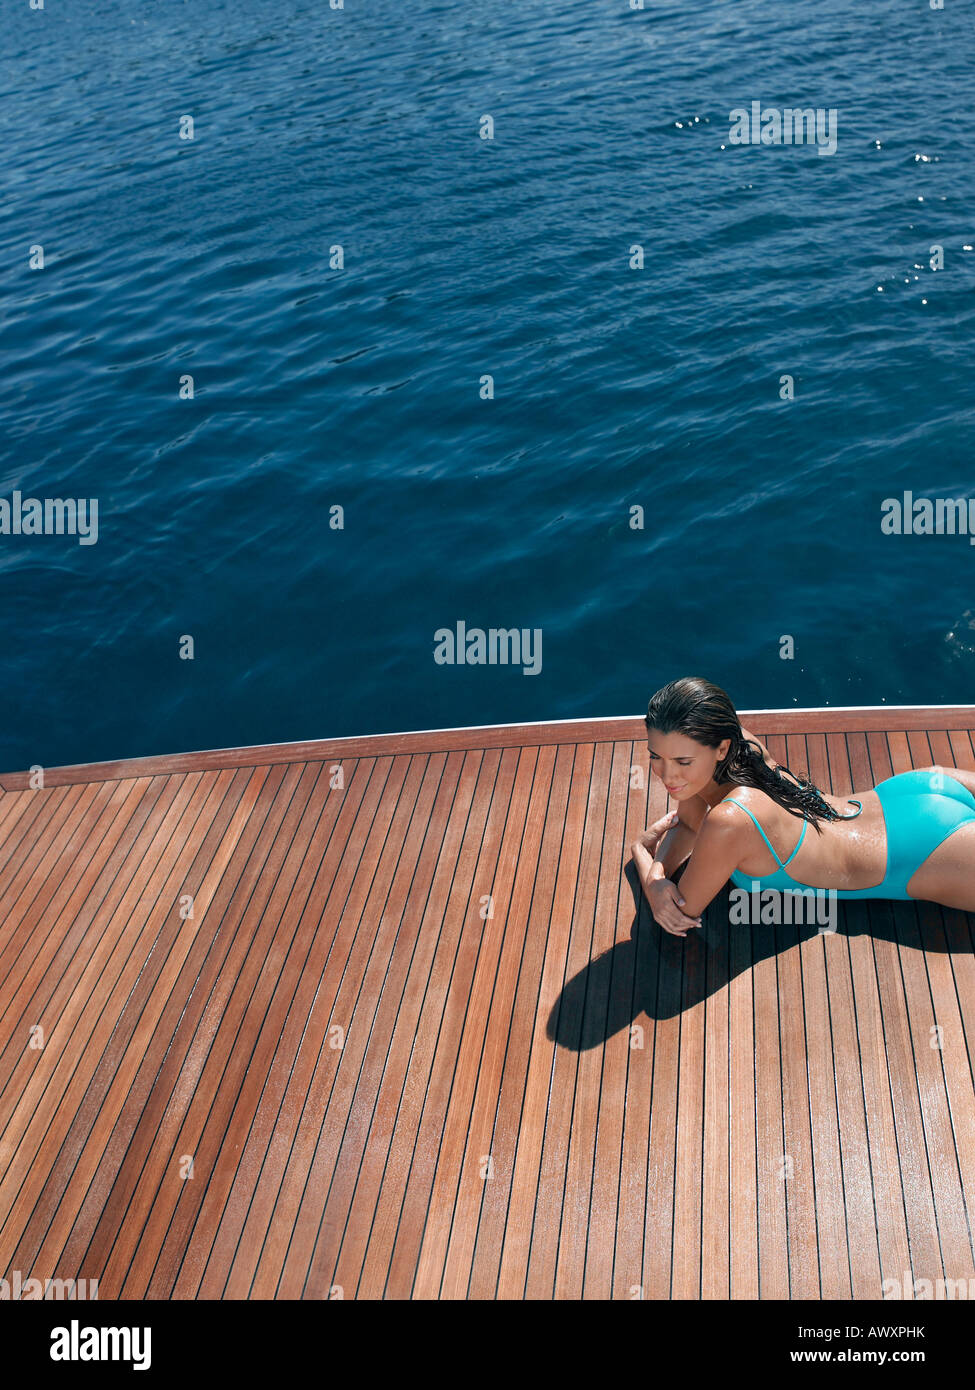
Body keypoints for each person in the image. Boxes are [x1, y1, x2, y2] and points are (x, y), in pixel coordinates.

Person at [630, 676, 975, 937]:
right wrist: (659, 870)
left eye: (681, 761)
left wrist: (643, 859)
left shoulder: (730, 820)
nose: (667, 775)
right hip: (914, 793)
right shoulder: (735, 743)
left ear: (719, 748)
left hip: (930, 854)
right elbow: (689, 826)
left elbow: (680, 913)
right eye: (655, 756)